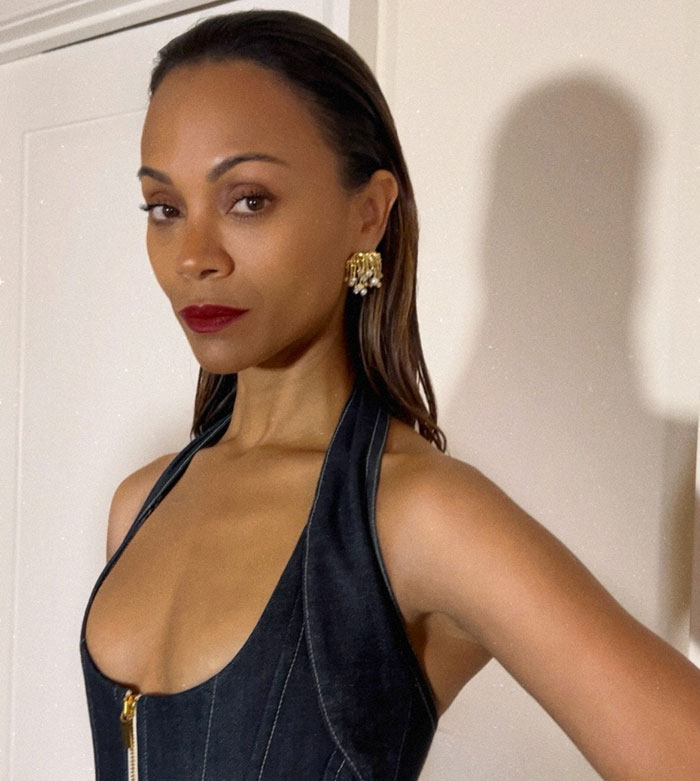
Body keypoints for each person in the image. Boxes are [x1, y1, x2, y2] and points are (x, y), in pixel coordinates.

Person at [80, 9, 700, 780]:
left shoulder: (417, 514)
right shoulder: (138, 503)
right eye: (164, 209)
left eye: (247, 199)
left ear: (367, 214)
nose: (194, 257)